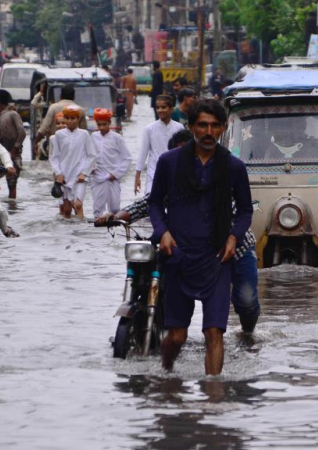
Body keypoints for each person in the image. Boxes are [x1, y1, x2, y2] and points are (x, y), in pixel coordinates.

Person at [95, 129, 261, 336]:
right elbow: (148, 202)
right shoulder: (173, 177)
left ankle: (247, 334)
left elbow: (241, 211)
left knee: (246, 301)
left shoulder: (221, 175)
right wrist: (116, 216)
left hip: (234, 248)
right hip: (190, 247)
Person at [148, 99, 253, 375]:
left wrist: (233, 238)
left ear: (223, 128)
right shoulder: (169, 162)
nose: (208, 131)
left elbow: (244, 212)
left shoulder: (234, 167)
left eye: (215, 126)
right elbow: (155, 203)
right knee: (177, 336)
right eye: (203, 125)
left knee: (214, 333)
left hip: (217, 257)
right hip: (178, 256)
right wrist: (163, 233)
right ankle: (166, 376)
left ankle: (213, 398)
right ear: (192, 126)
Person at [49, 105, 97, 220]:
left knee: (78, 204)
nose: (70, 121)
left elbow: (92, 155)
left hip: (79, 174)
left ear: (78, 119)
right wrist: (58, 173)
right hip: (65, 175)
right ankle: (67, 234)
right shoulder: (59, 135)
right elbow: (54, 157)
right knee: (66, 209)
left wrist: (84, 173)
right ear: (64, 119)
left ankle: (81, 230)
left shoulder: (84, 134)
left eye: (73, 118)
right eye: (68, 118)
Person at [135, 94, 184, 195]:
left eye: (163, 107)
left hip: (174, 173)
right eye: (157, 107)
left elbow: (183, 153)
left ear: (171, 109)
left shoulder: (179, 128)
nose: (160, 110)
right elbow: (142, 154)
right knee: (152, 202)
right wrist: (137, 177)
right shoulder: (149, 129)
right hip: (153, 174)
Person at [90, 108, 131, 218]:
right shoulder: (93, 137)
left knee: (115, 209)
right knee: (97, 210)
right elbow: (89, 156)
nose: (102, 127)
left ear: (109, 123)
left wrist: (116, 174)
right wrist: (91, 167)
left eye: (104, 124)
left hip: (113, 178)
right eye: (99, 125)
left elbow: (127, 158)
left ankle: (114, 233)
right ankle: (98, 233)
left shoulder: (117, 138)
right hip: (97, 177)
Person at [35, 85, 88, 158]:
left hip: (55, 149)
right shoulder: (80, 110)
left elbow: (43, 130)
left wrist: (35, 143)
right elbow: (84, 133)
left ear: (60, 96)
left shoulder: (53, 108)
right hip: (74, 151)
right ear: (74, 97)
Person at [0, 89, 26, 199]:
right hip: (0, 153)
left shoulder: (12, 114)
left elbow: (22, 132)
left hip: (14, 154)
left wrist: (15, 149)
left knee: (11, 183)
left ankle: (12, 205)